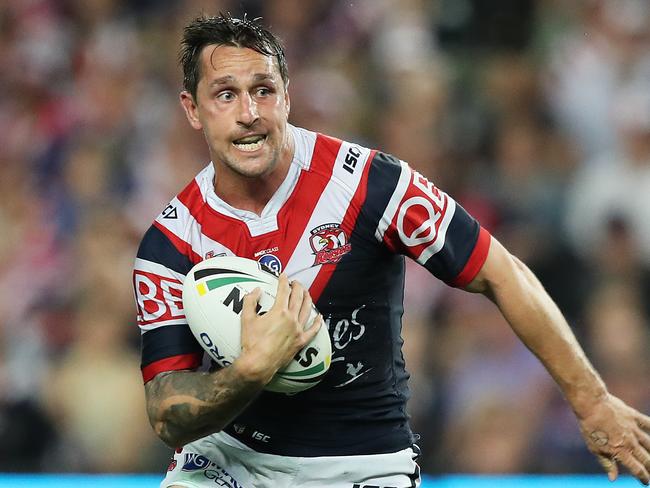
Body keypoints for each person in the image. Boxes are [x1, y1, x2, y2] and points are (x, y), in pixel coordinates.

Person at [132, 14, 650, 488]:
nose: (249, 113)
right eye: (225, 95)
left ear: (287, 97)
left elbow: (501, 273)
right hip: (229, 461)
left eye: (263, 90)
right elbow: (166, 413)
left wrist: (591, 401)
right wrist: (251, 370)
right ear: (192, 109)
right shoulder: (170, 243)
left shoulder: (369, 185)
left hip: (364, 463)